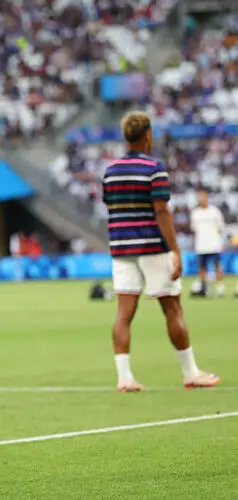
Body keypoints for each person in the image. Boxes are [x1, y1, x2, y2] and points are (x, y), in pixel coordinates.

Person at [102, 111, 219, 393]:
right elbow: (161, 210)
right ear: (148, 135)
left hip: (121, 247)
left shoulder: (111, 169)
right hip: (152, 246)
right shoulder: (154, 168)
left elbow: (110, 204)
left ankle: (124, 377)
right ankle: (190, 373)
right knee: (172, 307)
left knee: (124, 313)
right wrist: (175, 250)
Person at [190, 187, 226, 297]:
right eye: (200, 196)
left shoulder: (214, 211)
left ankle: (220, 287)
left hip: (214, 244)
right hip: (201, 245)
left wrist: (220, 242)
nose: (202, 198)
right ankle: (204, 288)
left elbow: (221, 227)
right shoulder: (195, 213)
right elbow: (194, 228)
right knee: (202, 268)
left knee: (217, 266)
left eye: (203, 196)